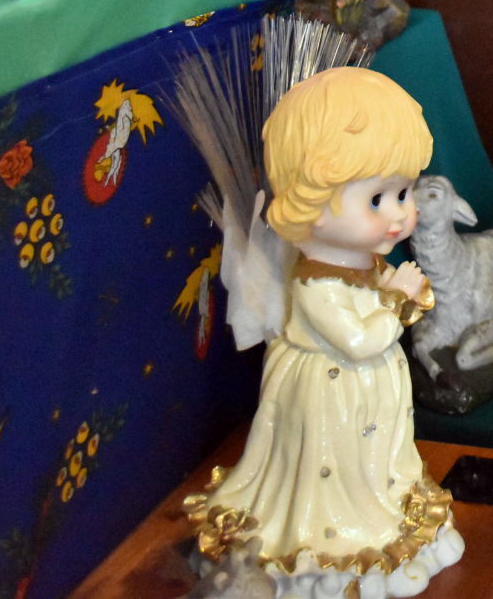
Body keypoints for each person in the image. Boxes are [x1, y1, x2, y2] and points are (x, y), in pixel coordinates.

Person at [183, 67, 465, 597]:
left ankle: (385, 525)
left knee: (375, 467)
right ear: (309, 201)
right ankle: (331, 551)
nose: (399, 215)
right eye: (377, 200)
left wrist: (392, 292)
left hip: (369, 401)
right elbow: (359, 341)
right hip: (331, 395)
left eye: (404, 192)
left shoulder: (362, 264)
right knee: (333, 474)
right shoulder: (317, 284)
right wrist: (396, 299)